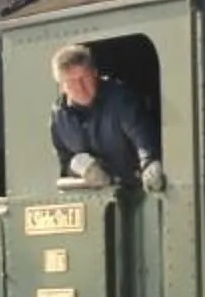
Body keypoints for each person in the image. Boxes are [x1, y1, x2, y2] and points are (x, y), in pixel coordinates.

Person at [50, 44, 165, 190]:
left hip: (134, 189)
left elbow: (141, 134)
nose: (80, 87)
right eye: (71, 82)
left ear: (95, 73)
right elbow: (64, 163)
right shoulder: (59, 116)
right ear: (61, 87)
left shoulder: (120, 99)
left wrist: (149, 163)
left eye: (84, 78)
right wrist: (79, 168)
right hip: (98, 197)